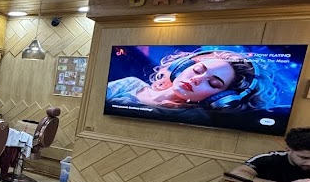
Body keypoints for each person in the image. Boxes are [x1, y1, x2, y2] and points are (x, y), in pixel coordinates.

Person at [106, 48, 268, 110]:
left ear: (221, 98)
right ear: (182, 66)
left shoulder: (193, 116)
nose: (197, 79)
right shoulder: (131, 84)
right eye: (198, 70)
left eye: (212, 83)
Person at [228, 127, 310, 182]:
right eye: (304, 158)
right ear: (288, 149)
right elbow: (236, 174)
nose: (309, 163)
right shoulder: (269, 159)